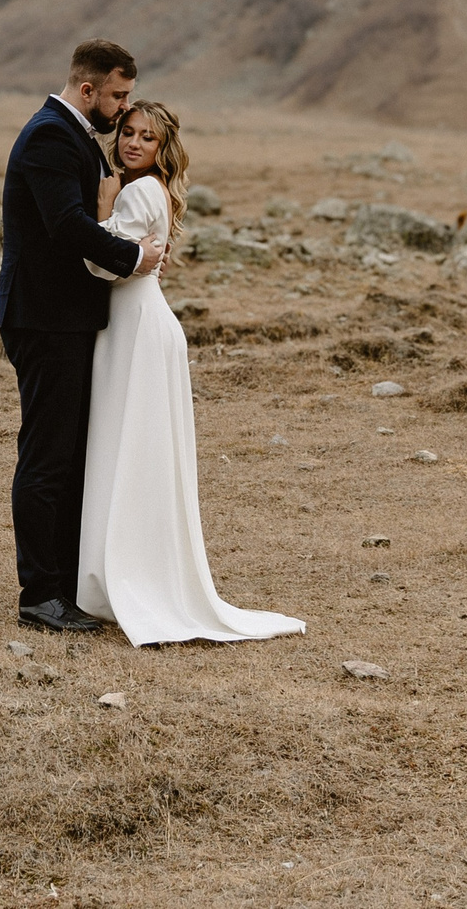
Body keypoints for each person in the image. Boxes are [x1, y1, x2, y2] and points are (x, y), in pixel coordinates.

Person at [76, 100, 305, 645]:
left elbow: (100, 262)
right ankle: (127, 570)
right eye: (127, 132)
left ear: (163, 148)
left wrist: (101, 209)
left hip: (136, 330)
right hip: (139, 326)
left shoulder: (135, 191)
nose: (132, 143)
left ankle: (126, 575)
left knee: (130, 447)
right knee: (136, 448)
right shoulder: (151, 189)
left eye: (147, 138)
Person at [0, 39, 166, 633]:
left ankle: (64, 584)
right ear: (87, 89)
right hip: (44, 320)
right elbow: (65, 226)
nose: (123, 110)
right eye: (117, 96)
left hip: (65, 319)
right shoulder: (50, 135)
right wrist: (133, 257)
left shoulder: (74, 137)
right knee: (46, 456)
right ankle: (40, 595)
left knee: (66, 453)